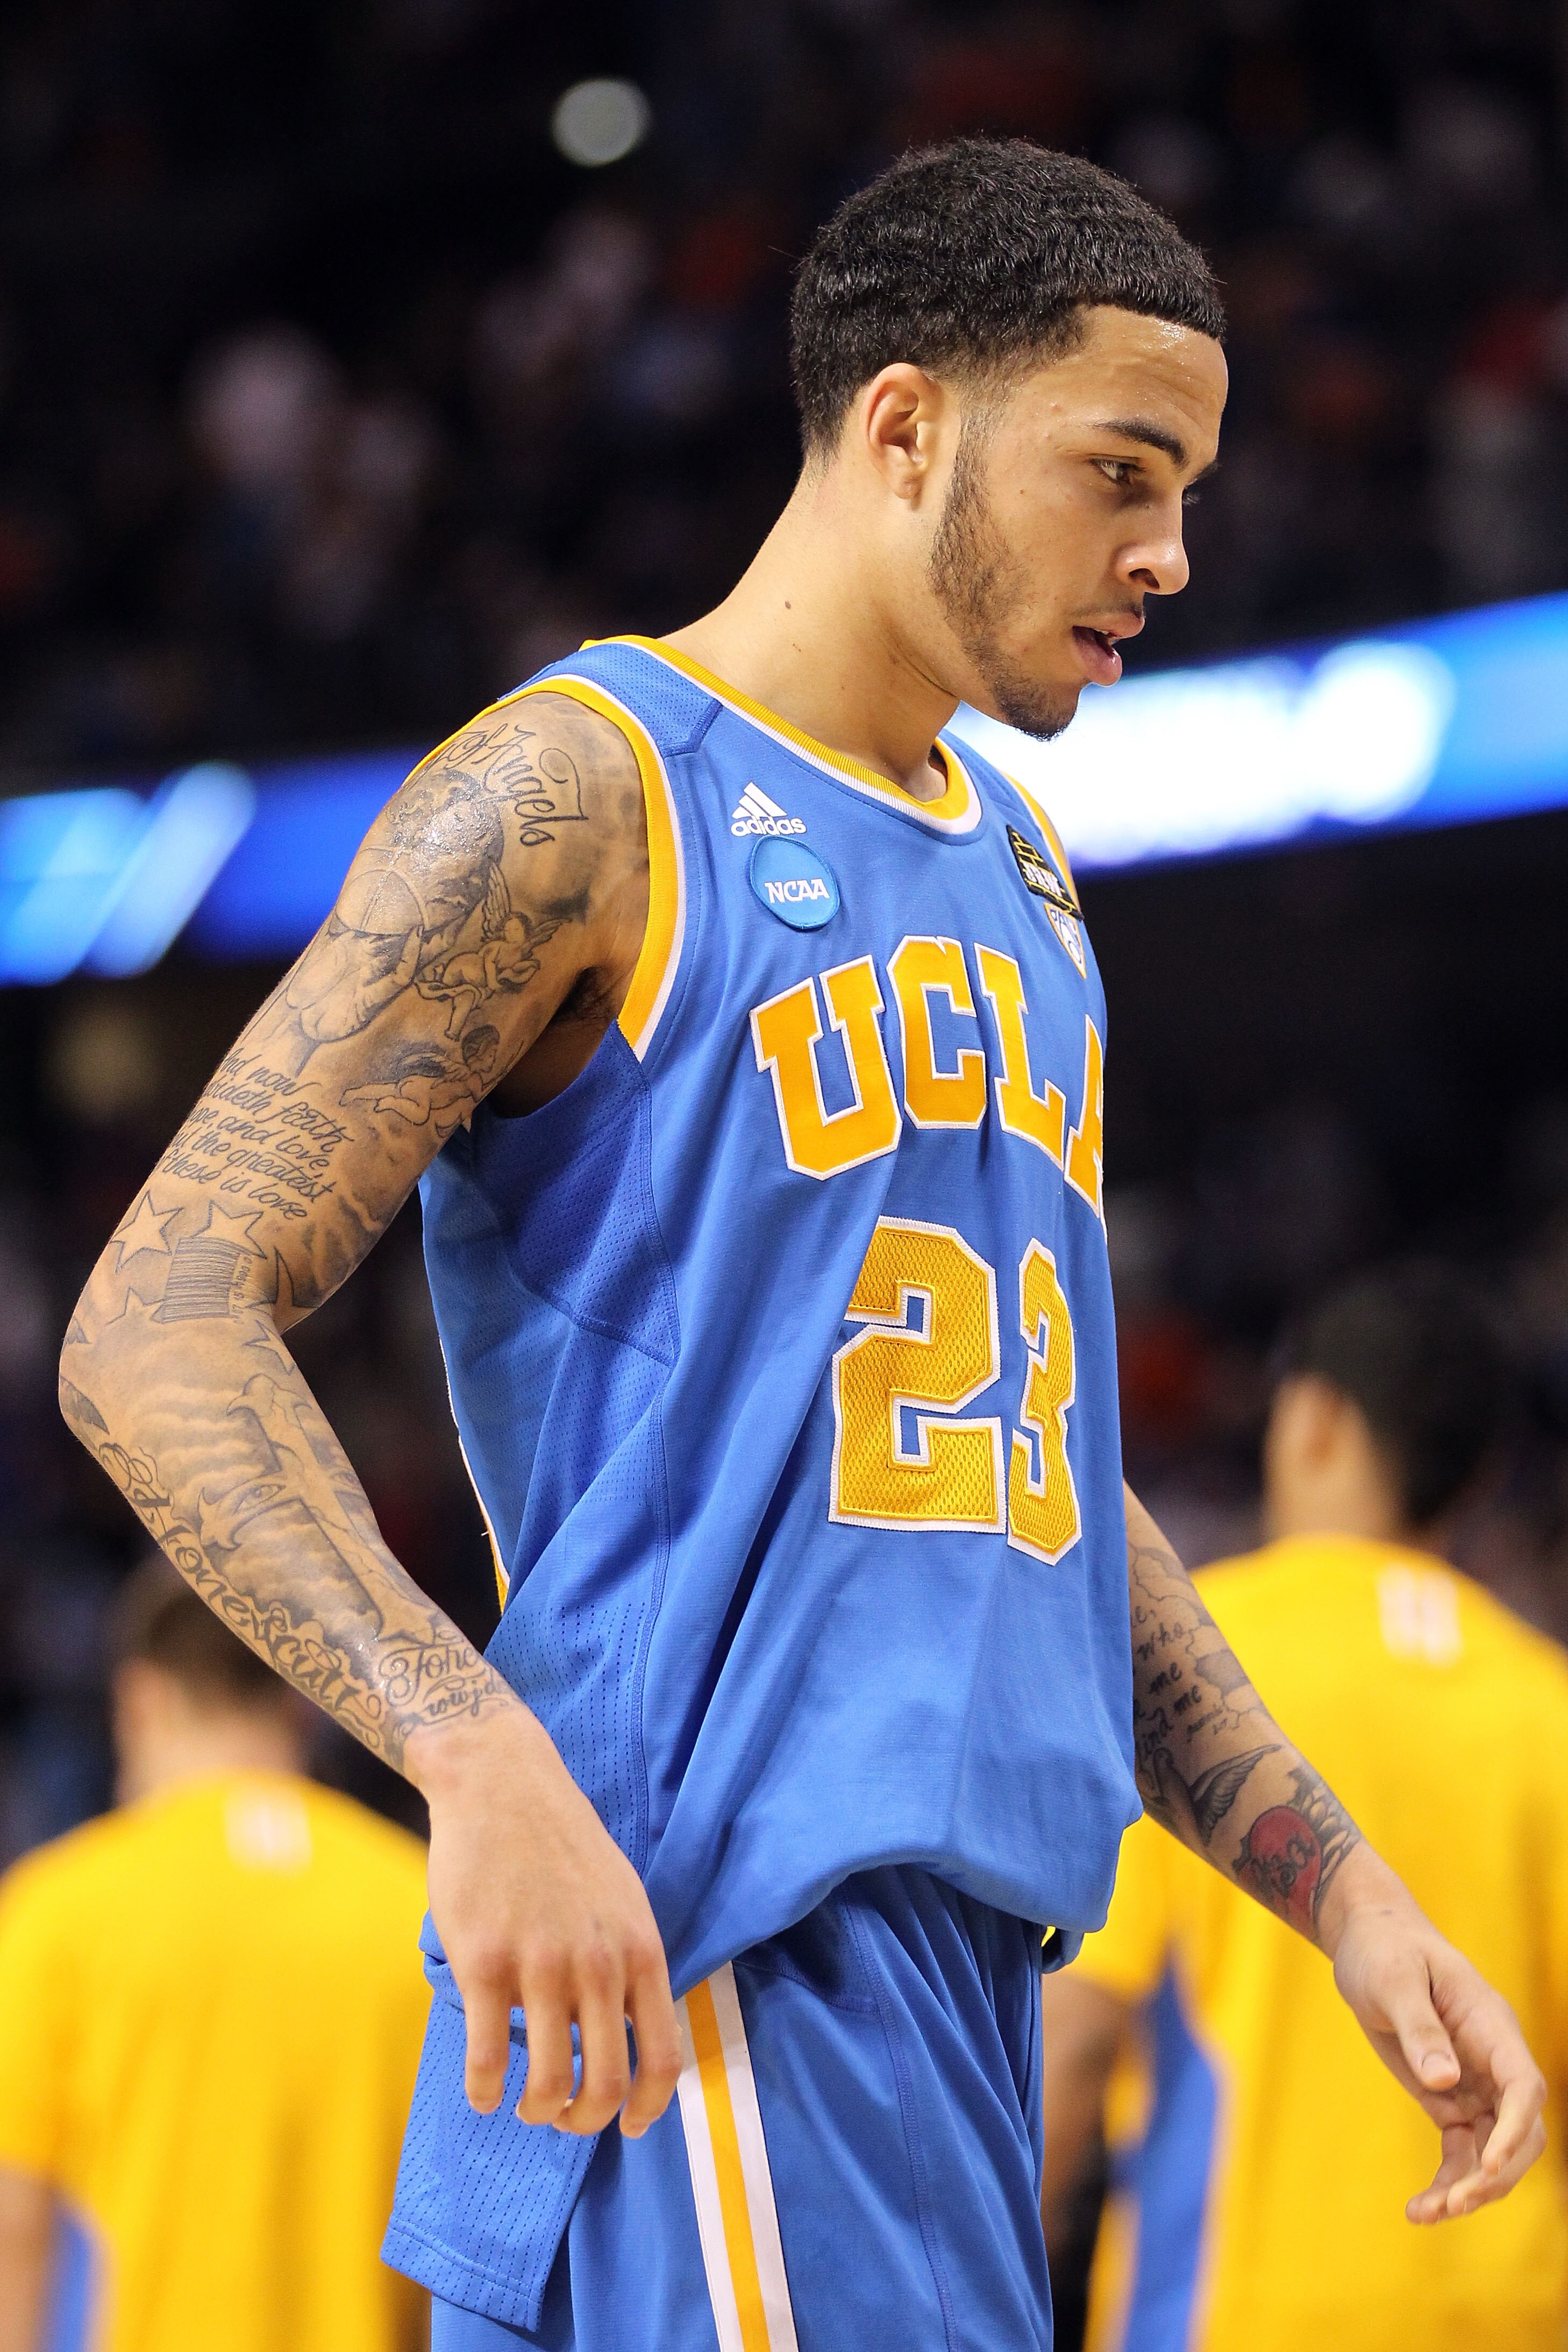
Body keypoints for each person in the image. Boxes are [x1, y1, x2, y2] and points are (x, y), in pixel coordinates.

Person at [59, 137, 1545, 2352]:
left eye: (1194, 486)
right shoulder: (590, 789)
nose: (1171, 549)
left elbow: (1018, 1470)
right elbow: (154, 1313)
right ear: (904, 426)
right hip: (720, 1947)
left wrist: (1334, 1881)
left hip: (936, 1987)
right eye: (1121, 471)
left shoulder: (1029, 872)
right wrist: (471, 1751)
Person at [1039, 1264, 1568, 2352]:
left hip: (1239, 2311)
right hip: (1514, 2314)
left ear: (1316, 1419)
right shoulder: (1545, 1702)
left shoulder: (1193, 1681)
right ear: (1477, 1480)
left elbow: (1080, 2032)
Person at [0, 1559, 431, 2352]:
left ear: (141, 1698)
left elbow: (16, 2233)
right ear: (299, 1703)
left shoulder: (59, 1912)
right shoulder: (424, 1912)